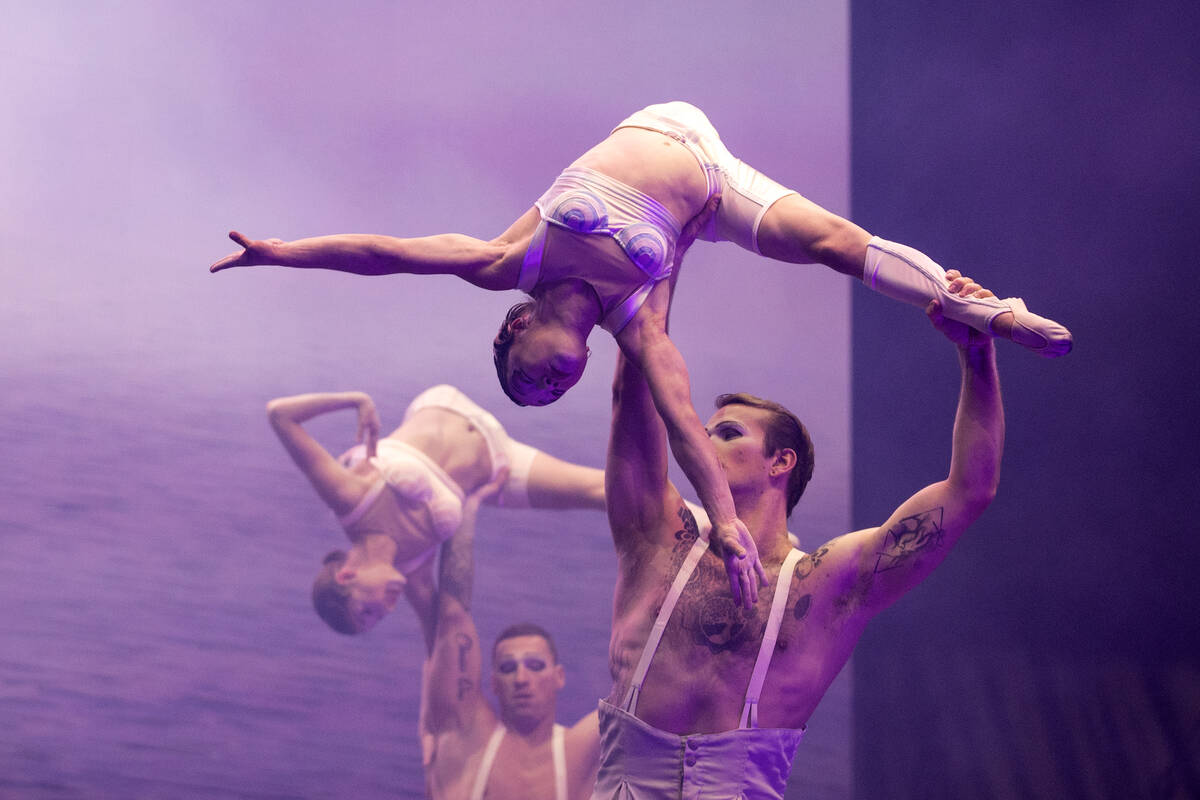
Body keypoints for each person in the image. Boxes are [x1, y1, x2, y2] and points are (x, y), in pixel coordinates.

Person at [213, 101, 1061, 608]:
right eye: (552, 395)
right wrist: (728, 526)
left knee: (841, 243)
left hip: (668, 128)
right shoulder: (635, 327)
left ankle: (979, 307)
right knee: (833, 244)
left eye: (530, 376)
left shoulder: (510, 262)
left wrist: (283, 252)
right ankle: (979, 316)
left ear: (515, 326)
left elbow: (390, 254)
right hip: (714, 193)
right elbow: (687, 428)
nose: (552, 382)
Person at [593, 275, 1005, 797]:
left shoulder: (827, 581)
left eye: (728, 432)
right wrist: (650, 260)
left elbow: (970, 490)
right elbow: (629, 396)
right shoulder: (658, 535)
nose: (703, 437)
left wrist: (977, 353)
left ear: (780, 462)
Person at [264, 383, 605, 637]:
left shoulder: (349, 499)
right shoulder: (414, 571)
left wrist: (356, 400)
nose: (389, 607)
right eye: (380, 616)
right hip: (500, 465)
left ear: (346, 575)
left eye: (370, 610)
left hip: (446, 406)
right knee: (605, 492)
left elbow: (279, 414)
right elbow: (440, 639)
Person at [418, 469, 600, 800]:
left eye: (534, 665)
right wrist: (467, 511)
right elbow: (452, 616)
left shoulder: (583, 753)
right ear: (492, 683)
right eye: (508, 667)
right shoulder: (466, 743)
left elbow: (650, 674)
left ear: (558, 676)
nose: (521, 678)